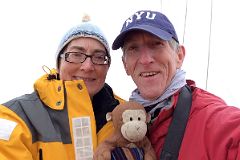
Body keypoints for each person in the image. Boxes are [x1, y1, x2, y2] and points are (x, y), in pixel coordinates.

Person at [112, 10, 240, 159]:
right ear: (125, 65)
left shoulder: (216, 122)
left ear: (179, 56)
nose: (145, 60)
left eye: (156, 44)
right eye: (133, 48)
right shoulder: (118, 124)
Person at [0, 16, 124, 160]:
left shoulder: (125, 114)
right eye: (76, 55)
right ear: (58, 63)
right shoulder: (15, 116)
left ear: (107, 66)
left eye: (99, 57)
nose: (88, 66)